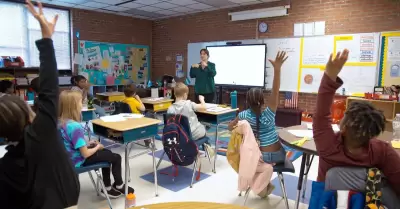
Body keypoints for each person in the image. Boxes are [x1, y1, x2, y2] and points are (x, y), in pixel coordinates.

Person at [0, 1, 80, 208]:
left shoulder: (5, 165)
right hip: (65, 203)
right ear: (28, 117)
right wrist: (46, 39)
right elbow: (49, 89)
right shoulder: (41, 134)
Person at [313, 49, 400, 200]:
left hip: (330, 201)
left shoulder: (328, 146)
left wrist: (329, 76)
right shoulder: (381, 151)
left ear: (345, 128)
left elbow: (321, 115)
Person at [59, 90, 134, 198]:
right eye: (81, 102)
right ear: (74, 106)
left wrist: (86, 143)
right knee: (116, 157)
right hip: (78, 161)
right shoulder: (75, 126)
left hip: (68, 160)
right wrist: (98, 146)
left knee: (107, 154)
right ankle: (119, 185)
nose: (83, 105)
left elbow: (69, 142)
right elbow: (85, 154)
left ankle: (108, 187)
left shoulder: (61, 122)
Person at [228, 51, 288, 164]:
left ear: (247, 101)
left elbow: (230, 128)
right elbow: (275, 90)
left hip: (256, 157)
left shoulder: (243, 115)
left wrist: (234, 124)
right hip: (276, 156)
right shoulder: (270, 113)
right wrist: (277, 69)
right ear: (263, 100)